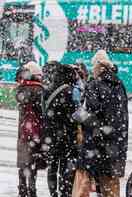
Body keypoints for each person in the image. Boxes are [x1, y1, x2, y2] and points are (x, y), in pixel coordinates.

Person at [77, 50, 128, 197]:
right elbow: (120, 115)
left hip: (96, 142)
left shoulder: (94, 85)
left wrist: (78, 115)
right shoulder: (119, 84)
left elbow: (90, 114)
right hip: (115, 142)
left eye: (94, 66)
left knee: (84, 182)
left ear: (98, 67)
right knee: (111, 185)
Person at [43, 61, 78, 197]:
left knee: (52, 166)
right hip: (65, 135)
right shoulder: (69, 91)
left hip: (50, 135)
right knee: (65, 167)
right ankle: (64, 192)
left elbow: (44, 113)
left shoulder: (47, 90)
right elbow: (76, 114)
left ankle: (53, 193)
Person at [16, 61, 43, 197]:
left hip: (23, 132)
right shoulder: (40, 89)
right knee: (33, 163)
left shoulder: (22, 88)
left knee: (23, 161)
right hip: (36, 132)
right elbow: (42, 112)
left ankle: (22, 187)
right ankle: (32, 189)